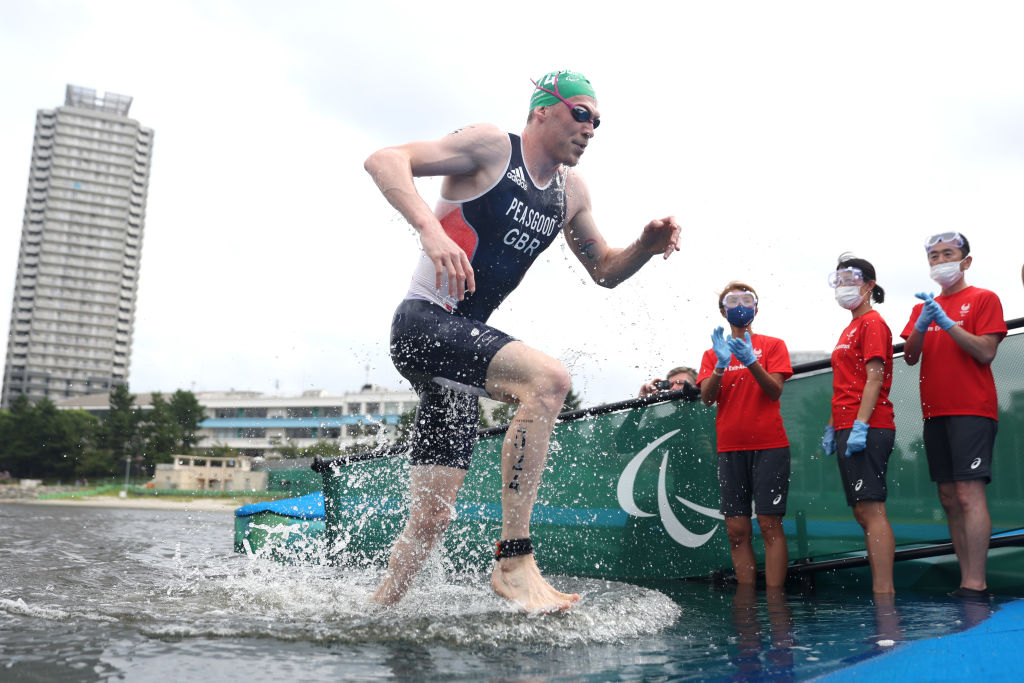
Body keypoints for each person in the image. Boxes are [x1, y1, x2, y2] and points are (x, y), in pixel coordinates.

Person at [363, 70, 682, 611]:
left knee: (434, 516)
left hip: (456, 364)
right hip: (424, 323)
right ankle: (514, 559)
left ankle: (375, 611)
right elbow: (384, 160)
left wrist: (644, 249)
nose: (591, 129)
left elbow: (604, 270)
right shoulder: (490, 148)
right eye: (581, 114)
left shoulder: (570, 192)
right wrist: (430, 229)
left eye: (598, 121)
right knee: (549, 380)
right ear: (542, 111)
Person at [900, 232, 1006, 599]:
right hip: (935, 412)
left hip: (972, 409)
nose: (940, 260)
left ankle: (977, 583)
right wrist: (920, 325)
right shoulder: (921, 307)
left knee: (968, 494)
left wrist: (947, 323)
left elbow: (986, 352)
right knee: (948, 496)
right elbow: (911, 357)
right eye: (934, 256)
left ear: (966, 261)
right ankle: (965, 580)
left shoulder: (984, 299)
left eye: (948, 253)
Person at [697, 282, 792, 588]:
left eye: (747, 300)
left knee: (769, 524)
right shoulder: (712, 353)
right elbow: (707, 398)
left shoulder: (774, 345)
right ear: (723, 311)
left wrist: (751, 361)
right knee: (736, 529)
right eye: (732, 300)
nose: (740, 305)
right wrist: (721, 366)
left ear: (756, 308)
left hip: (770, 446)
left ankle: (777, 603)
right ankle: (746, 601)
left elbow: (774, 391)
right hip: (729, 447)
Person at [822, 255, 896, 595]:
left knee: (871, 508)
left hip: (867, 425)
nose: (843, 286)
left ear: (869, 286)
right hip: (845, 424)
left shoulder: (873, 323)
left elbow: (874, 378)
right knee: (861, 511)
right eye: (838, 279)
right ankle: (882, 591)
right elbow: (845, 382)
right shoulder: (849, 327)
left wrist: (860, 425)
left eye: (851, 278)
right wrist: (831, 424)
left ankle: (884, 594)